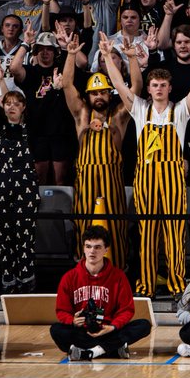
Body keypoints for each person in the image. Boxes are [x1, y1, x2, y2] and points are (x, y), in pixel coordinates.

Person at [100, 32, 190, 298]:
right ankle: (147, 285)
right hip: (146, 176)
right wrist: (107, 56)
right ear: (149, 89)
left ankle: (176, 284)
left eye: (163, 84)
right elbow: (120, 84)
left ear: (170, 88)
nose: (159, 88)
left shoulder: (181, 111)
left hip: (173, 176)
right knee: (147, 232)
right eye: (155, 85)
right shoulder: (140, 109)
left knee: (175, 231)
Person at [61, 36, 136, 272]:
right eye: (94, 93)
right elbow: (66, 85)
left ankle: (118, 268)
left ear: (110, 94)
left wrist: (125, 58)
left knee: (116, 225)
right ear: (88, 96)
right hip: (85, 180)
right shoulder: (82, 114)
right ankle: (82, 271)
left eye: (103, 92)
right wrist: (71, 55)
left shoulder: (119, 116)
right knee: (83, 223)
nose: (99, 97)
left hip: (112, 180)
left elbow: (136, 89)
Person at [51, 226, 152, 362]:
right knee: (56, 329)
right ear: (83, 248)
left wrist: (112, 326)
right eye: (88, 246)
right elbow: (62, 310)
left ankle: (90, 351)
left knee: (144, 325)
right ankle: (112, 349)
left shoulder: (118, 276)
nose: (92, 251)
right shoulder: (69, 277)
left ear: (106, 249)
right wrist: (72, 321)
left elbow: (127, 310)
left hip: (108, 331)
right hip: (82, 331)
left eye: (97, 247)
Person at [0, 88, 38, 293]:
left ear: (24, 107)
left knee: (25, 238)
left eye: (17, 104)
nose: (12, 107)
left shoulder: (31, 130)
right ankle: (8, 279)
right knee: (4, 237)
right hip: (0, 191)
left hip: (25, 192)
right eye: (8, 103)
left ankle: (27, 279)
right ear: (3, 107)